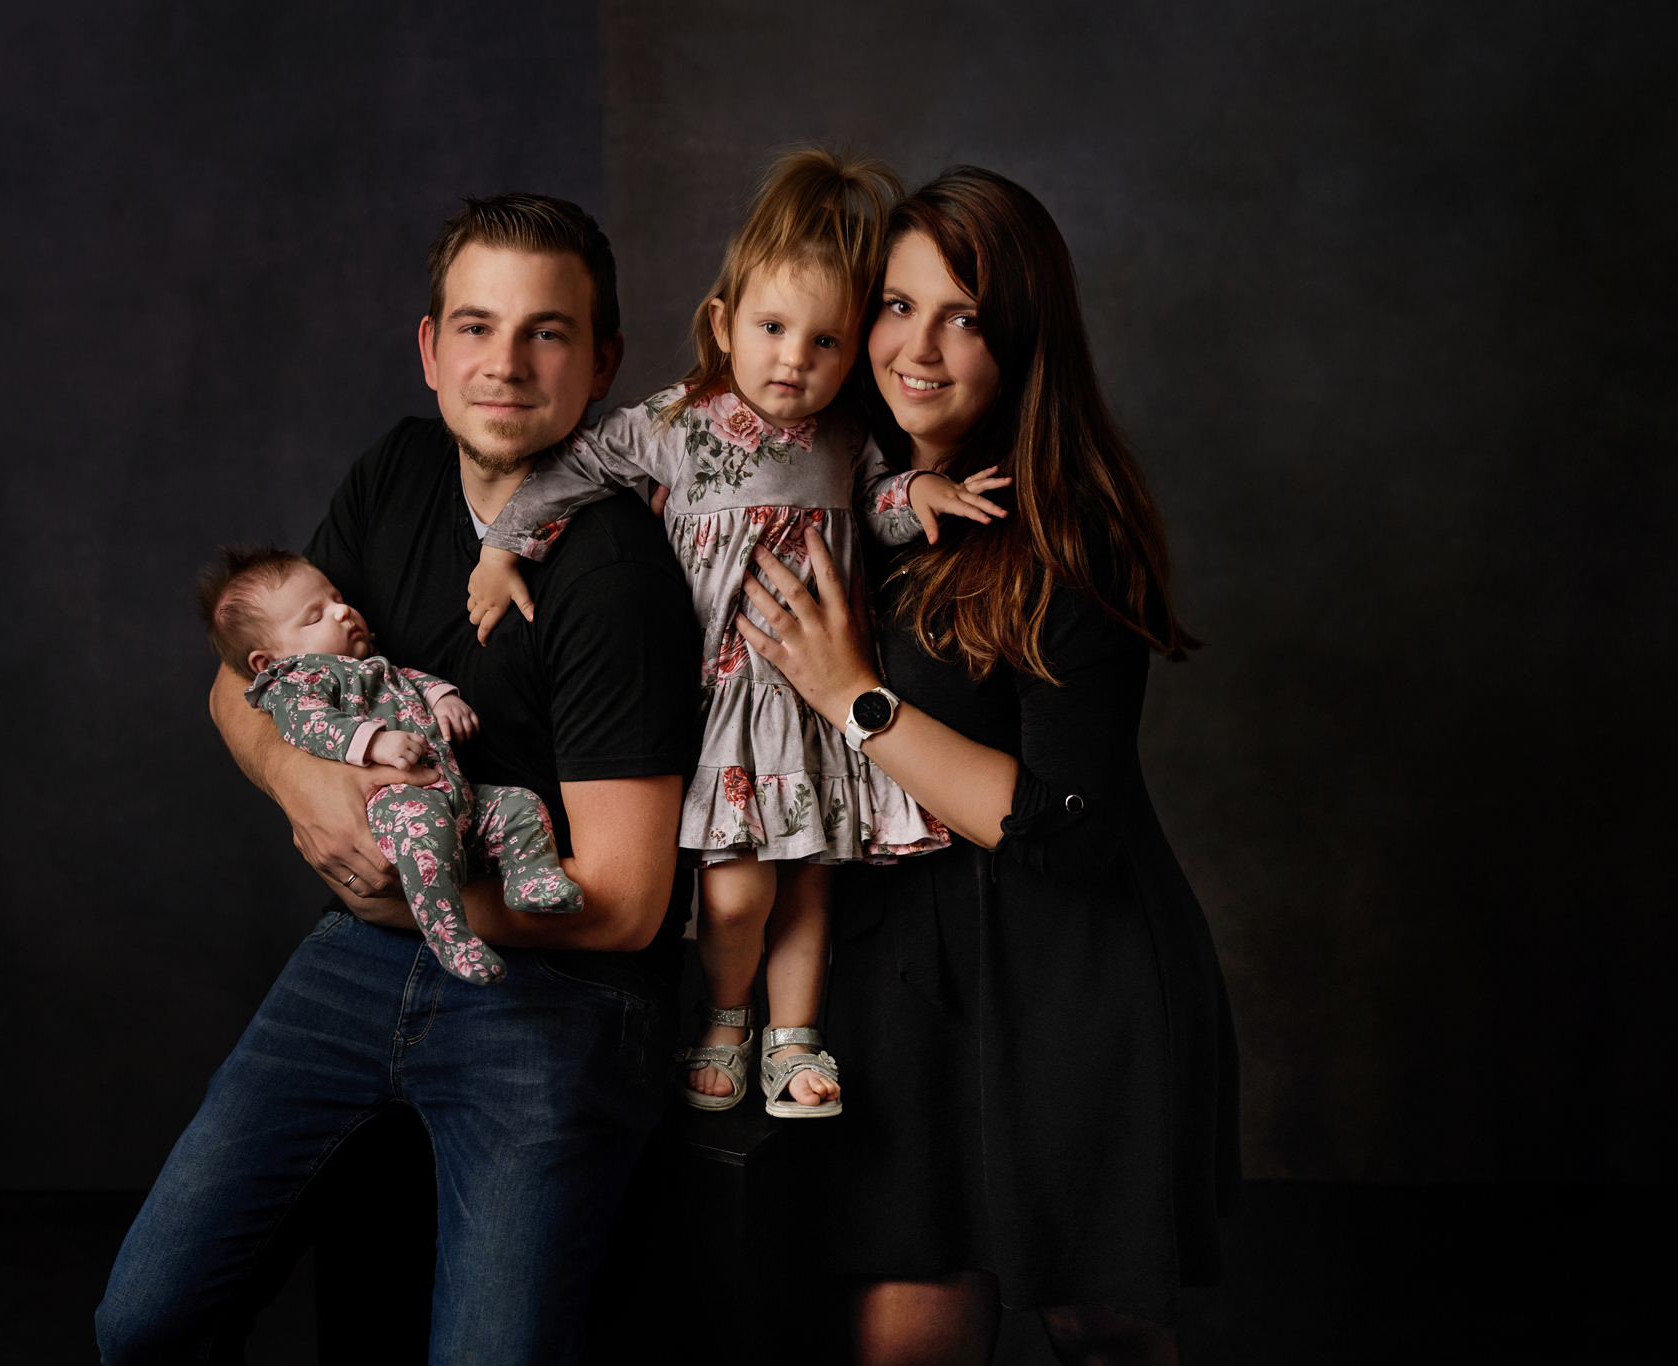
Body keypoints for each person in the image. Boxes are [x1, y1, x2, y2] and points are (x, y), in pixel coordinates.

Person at [96, 194, 702, 1365]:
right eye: (475, 327)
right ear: (429, 348)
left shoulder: (615, 573)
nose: (504, 365)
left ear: (602, 364)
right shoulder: (400, 469)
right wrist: (301, 783)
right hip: (360, 962)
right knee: (143, 1323)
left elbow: (626, 901)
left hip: (552, 996)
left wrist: (404, 898)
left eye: (546, 332)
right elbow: (241, 681)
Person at [731, 167, 1240, 1364]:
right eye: (897, 305)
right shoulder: (828, 485)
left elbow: (1067, 824)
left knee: (1101, 1328)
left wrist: (852, 699)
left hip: (1069, 976)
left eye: (962, 317)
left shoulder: (1068, 527)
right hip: (899, 985)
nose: (917, 348)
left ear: (1021, 339)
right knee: (904, 1335)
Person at [465, 149, 1008, 1118]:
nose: (794, 359)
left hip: (816, 702)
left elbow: (877, 505)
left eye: (825, 341)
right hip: (723, 700)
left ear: (853, 349)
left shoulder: (847, 436)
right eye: (771, 328)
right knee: (734, 893)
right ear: (723, 324)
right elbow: (573, 467)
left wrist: (920, 493)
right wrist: (505, 547)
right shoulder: (678, 422)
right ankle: (724, 1018)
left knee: (807, 887)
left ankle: (794, 1038)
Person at [197, 544, 584, 985]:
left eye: (337, 598)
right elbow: (311, 724)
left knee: (519, 805)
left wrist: (442, 698)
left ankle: (532, 878)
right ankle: (451, 934)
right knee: (426, 844)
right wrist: (374, 742)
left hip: (458, 796)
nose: (342, 612)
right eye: (315, 616)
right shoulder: (297, 683)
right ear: (269, 661)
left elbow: (411, 680)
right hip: (396, 806)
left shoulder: (375, 666)